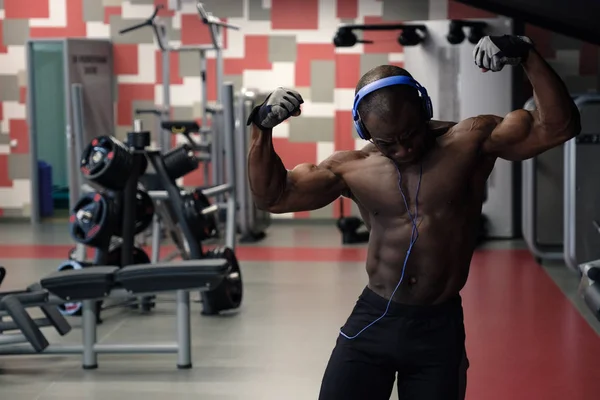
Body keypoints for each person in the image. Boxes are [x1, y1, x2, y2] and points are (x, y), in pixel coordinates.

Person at [246, 35, 581, 399]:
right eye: (388, 142)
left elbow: (558, 127)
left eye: (410, 133)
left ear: (424, 108)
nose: (403, 149)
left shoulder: (470, 141)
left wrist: (527, 55)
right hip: (373, 319)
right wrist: (261, 128)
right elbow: (274, 197)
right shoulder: (353, 168)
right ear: (365, 131)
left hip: (438, 327)